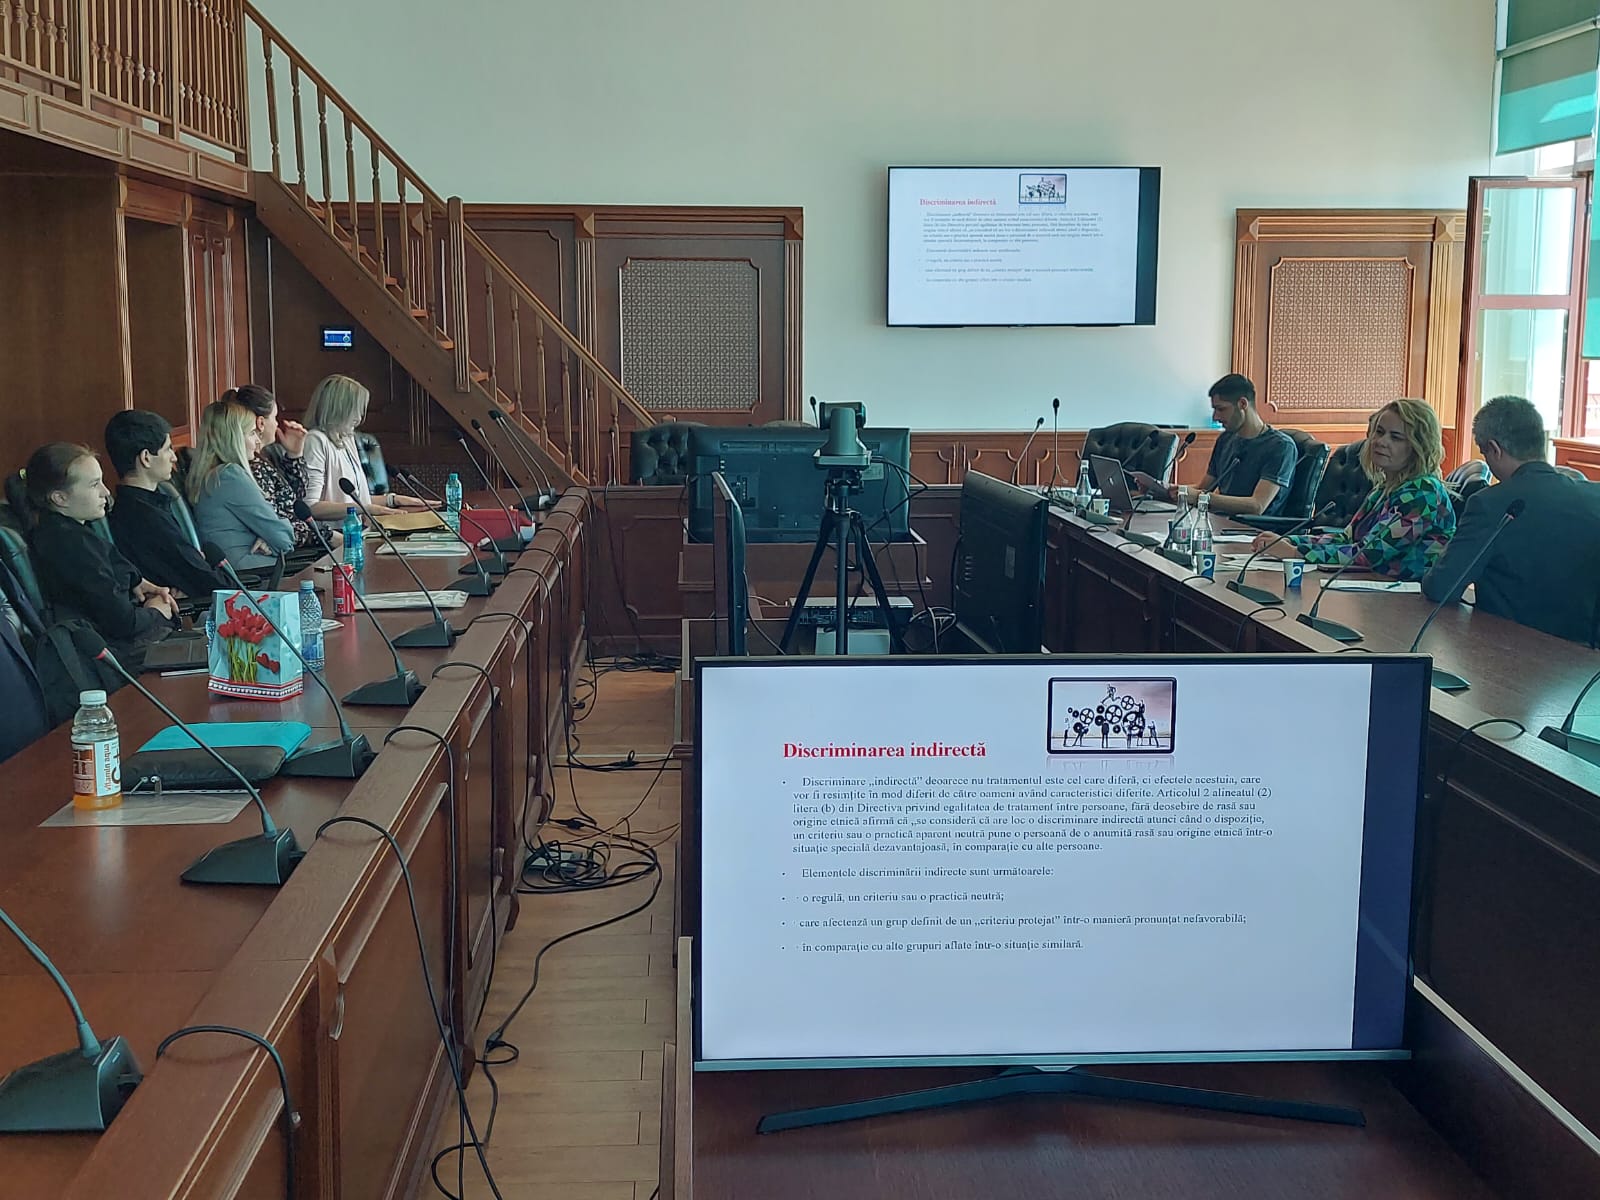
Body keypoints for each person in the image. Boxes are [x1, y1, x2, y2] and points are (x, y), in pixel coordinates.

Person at [1423, 395, 1600, 645]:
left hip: (1507, 651)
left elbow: (1442, 587)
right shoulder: (1595, 496)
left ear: (1494, 449)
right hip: (1585, 658)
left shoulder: (1490, 503)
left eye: (1484, 453)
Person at [1249, 399, 1455, 581]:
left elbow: (1369, 554)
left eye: (1396, 437)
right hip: (1371, 587)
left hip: (1409, 601)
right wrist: (1289, 540)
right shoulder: (1385, 487)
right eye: (1379, 432)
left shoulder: (1423, 492)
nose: (1381, 442)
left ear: (1419, 446)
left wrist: (1296, 553)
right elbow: (1346, 538)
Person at [20, 442, 176, 658]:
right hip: (117, 657)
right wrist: (156, 611)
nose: (105, 491)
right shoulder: (71, 544)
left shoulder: (63, 530)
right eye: (94, 485)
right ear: (60, 498)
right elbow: (123, 622)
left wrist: (137, 582)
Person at [103, 409, 232, 599]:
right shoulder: (147, 518)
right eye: (168, 449)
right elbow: (213, 586)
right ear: (146, 458)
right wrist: (213, 566)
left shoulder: (136, 507)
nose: (174, 457)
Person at [1131, 374, 1298, 517]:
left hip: (1255, 532)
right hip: (1218, 522)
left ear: (1242, 404)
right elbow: (1203, 488)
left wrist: (1199, 497)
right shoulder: (1226, 439)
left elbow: (1257, 506)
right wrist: (1161, 490)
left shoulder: (1281, 447)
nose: (1215, 417)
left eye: (1221, 409)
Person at [221, 384, 341, 554]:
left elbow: (295, 504)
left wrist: (294, 455)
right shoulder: (247, 468)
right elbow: (278, 523)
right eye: (275, 417)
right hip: (283, 551)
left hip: (296, 540)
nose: (277, 424)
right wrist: (328, 535)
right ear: (261, 423)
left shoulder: (264, 457)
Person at [300, 374, 437, 517]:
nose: (359, 418)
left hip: (360, 526)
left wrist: (393, 500)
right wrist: (367, 510)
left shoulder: (347, 439)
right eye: (354, 410)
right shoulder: (315, 441)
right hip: (333, 530)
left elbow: (359, 501)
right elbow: (311, 506)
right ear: (338, 409)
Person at [188, 400, 297, 570]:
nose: (257, 441)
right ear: (235, 439)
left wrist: (268, 538)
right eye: (252, 433)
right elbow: (284, 539)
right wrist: (273, 537)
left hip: (245, 568)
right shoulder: (229, 476)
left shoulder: (212, 475)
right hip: (252, 573)